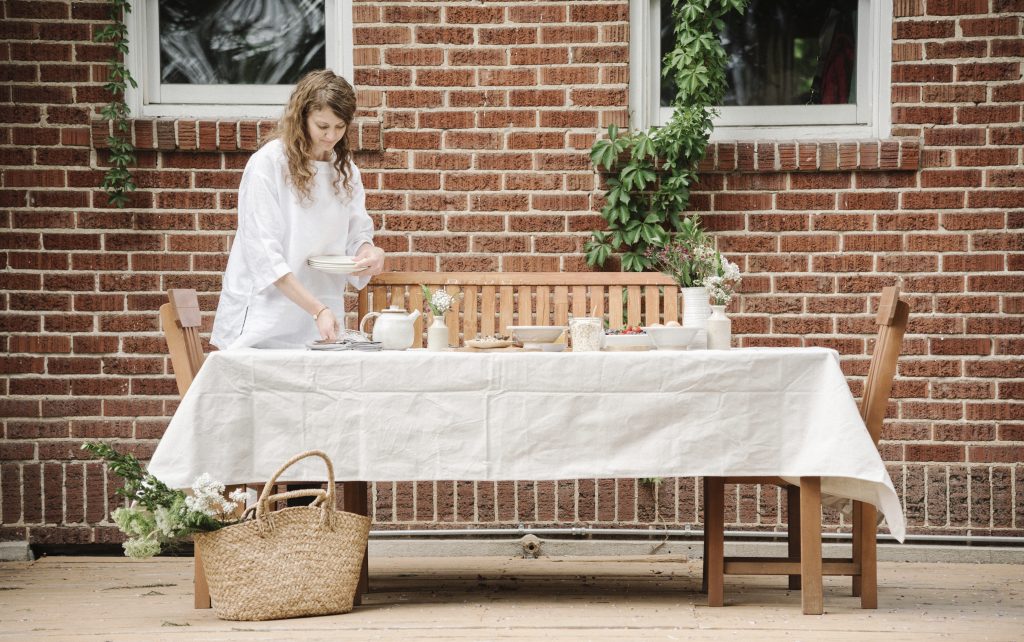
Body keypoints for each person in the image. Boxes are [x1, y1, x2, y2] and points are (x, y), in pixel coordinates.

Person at [211, 69, 385, 350]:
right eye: (322, 126)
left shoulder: (346, 171)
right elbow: (265, 257)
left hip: (323, 317)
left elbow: (356, 237)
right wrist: (316, 309)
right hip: (265, 317)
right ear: (301, 117)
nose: (331, 136)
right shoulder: (268, 164)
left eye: (340, 127)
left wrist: (369, 252)